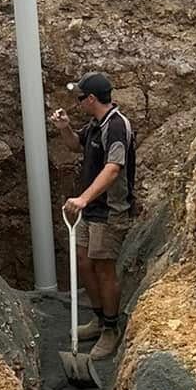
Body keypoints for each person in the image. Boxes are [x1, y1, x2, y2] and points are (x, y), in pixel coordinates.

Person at [62, 70, 136, 362]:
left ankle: (110, 328)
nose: (78, 103)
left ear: (91, 98)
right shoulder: (95, 124)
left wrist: (83, 198)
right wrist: (64, 127)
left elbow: (113, 168)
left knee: (104, 268)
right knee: (83, 262)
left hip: (109, 211)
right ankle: (97, 318)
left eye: (80, 98)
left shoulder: (117, 126)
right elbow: (73, 145)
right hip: (90, 209)